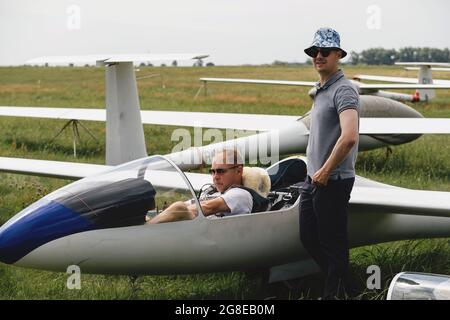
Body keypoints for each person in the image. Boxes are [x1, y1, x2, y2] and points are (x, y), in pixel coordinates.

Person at [300, 27, 360, 299]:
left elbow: (349, 137)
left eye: (325, 51)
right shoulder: (320, 90)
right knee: (309, 237)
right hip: (313, 178)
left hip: (333, 180)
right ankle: (349, 287)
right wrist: (314, 170)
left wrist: (325, 170)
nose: (318, 56)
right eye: (314, 51)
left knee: (332, 243)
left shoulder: (344, 90)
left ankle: (333, 294)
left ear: (338, 55)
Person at [147, 149, 255, 224]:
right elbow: (190, 204)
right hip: (197, 232)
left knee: (179, 207)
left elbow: (207, 207)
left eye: (221, 171)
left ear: (238, 171)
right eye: (212, 171)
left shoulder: (241, 194)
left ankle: (146, 230)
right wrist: (163, 213)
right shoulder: (211, 191)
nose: (215, 177)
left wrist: (173, 213)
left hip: (214, 238)